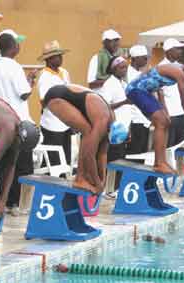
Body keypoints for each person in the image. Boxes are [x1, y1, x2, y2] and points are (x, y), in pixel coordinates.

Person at [126, 54, 184, 174]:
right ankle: (158, 163)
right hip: (136, 90)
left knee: (166, 122)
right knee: (161, 122)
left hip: (146, 92)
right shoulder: (179, 72)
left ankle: (162, 161)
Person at [0, 30, 37, 215]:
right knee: (22, 164)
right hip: (18, 121)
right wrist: (30, 80)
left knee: (2, 162)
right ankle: (17, 204)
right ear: (14, 46)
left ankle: (5, 201)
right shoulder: (14, 66)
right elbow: (23, 93)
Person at [43, 84, 115, 194]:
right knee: (86, 131)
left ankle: (81, 178)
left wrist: (102, 180)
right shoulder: (102, 121)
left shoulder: (111, 125)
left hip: (74, 97)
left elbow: (102, 154)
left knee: (87, 132)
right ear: (108, 130)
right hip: (57, 96)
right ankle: (80, 179)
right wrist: (97, 183)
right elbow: (89, 155)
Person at [99, 57, 132, 193]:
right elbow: (104, 106)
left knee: (121, 160)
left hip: (124, 128)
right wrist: (124, 102)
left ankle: (118, 188)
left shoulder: (123, 83)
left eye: (126, 67)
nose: (124, 70)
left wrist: (129, 129)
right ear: (114, 69)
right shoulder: (109, 84)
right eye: (121, 67)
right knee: (114, 160)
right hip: (114, 129)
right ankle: (110, 189)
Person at [37, 40, 72, 168]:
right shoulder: (45, 76)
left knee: (65, 160)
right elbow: (44, 101)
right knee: (53, 161)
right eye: (57, 56)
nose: (61, 58)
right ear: (49, 59)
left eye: (60, 55)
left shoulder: (64, 72)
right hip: (52, 124)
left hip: (66, 123)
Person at [159, 38, 184, 148]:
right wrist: (165, 112)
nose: (180, 51)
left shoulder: (180, 66)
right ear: (169, 51)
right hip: (170, 114)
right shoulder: (161, 68)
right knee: (169, 147)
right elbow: (160, 92)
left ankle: (179, 166)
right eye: (178, 49)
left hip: (181, 112)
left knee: (181, 147)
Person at [126, 45, 152, 156]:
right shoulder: (128, 74)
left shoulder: (140, 73)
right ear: (135, 59)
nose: (146, 60)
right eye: (144, 58)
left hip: (143, 119)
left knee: (143, 154)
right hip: (135, 120)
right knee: (135, 155)